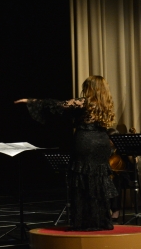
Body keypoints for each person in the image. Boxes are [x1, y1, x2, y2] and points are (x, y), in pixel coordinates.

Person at [15, 75, 117, 231]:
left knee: (83, 180)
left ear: (90, 88)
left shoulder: (83, 102)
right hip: (102, 143)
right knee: (98, 181)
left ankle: (86, 222)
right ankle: (101, 221)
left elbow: (57, 106)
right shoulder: (106, 104)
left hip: (86, 142)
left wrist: (32, 101)